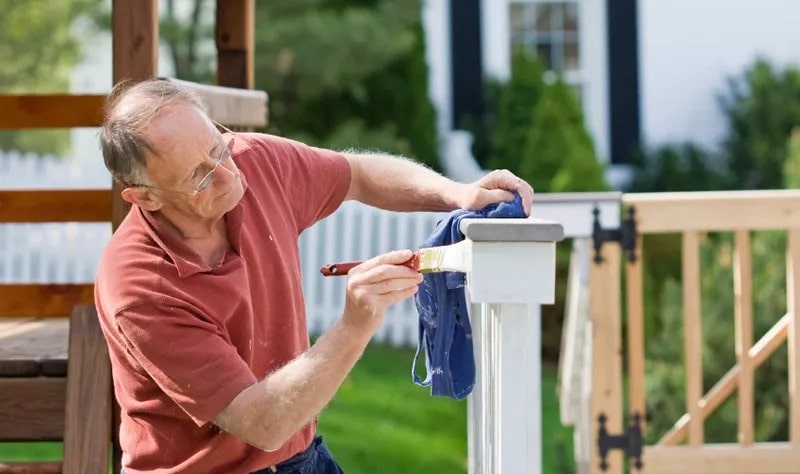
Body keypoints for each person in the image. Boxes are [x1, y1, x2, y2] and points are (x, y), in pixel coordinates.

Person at [94, 78, 534, 474]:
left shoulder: (253, 163)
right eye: (200, 177)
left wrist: (458, 193)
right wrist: (354, 326)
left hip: (298, 457)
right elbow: (261, 424)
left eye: (218, 147)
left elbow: (358, 174)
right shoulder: (139, 285)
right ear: (144, 197)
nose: (228, 175)